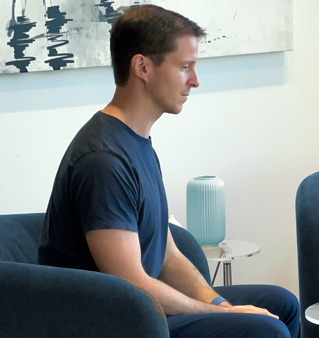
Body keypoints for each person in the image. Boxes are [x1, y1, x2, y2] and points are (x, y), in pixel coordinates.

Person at [37, 5, 299, 338]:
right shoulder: (103, 159)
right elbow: (131, 285)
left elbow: (167, 255)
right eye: (185, 66)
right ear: (142, 66)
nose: (195, 80)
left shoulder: (137, 141)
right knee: (264, 330)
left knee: (282, 305)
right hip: (112, 322)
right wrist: (218, 315)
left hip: (139, 305)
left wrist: (221, 305)